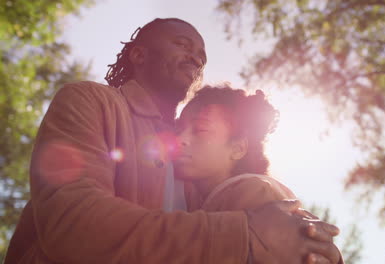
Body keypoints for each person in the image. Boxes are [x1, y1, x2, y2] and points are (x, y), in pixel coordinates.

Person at [5, 18, 342, 264]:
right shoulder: (89, 101)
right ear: (138, 55)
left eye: (201, 55)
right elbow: (72, 224)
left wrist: (307, 242)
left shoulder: (194, 163)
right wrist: (244, 234)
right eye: (182, 44)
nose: (196, 58)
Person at [174, 84, 343, 263]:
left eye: (200, 130)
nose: (180, 139)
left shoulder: (252, 191)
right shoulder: (221, 194)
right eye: (178, 129)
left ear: (238, 148)